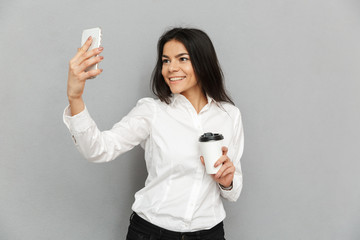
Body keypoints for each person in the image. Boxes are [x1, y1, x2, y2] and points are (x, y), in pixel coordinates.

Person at [63, 27, 244, 240]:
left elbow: (234, 191)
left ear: (203, 62)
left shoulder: (229, 115)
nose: (171, 68)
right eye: (166, 61)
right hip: (152, 234)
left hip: (210, 234)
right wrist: (75, 98)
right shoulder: (152, 111)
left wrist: (227, 181)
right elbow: (98, 149)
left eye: (182, 59)